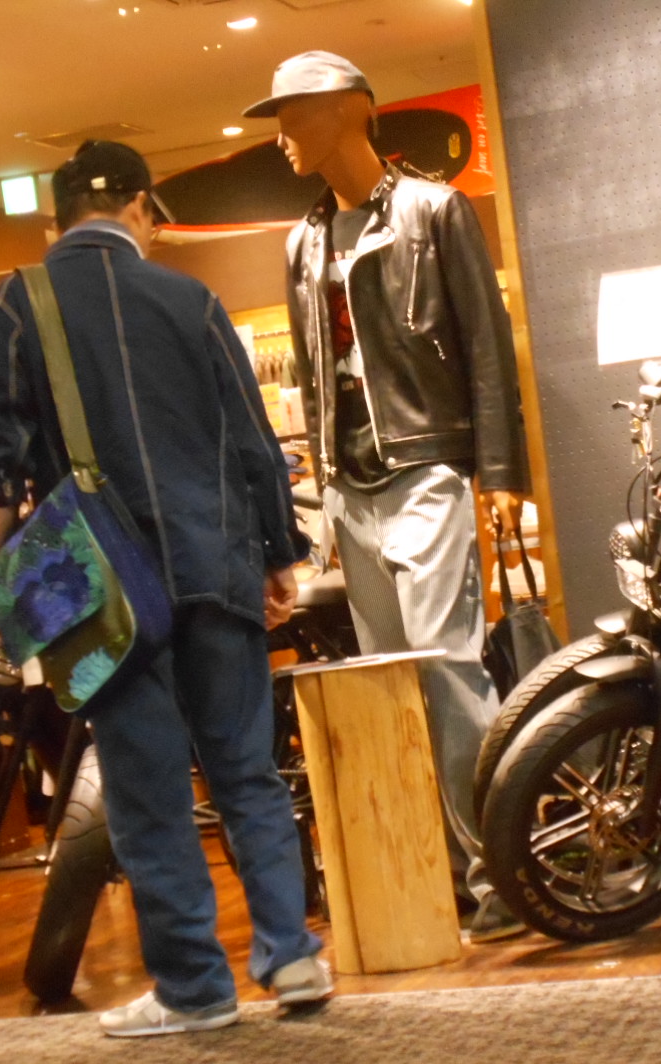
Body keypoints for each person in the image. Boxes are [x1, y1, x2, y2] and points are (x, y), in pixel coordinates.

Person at [0, 139, 329, 1038]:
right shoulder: (190, 298)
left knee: (147, 787)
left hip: (98, 586)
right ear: (139, 208)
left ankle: (195, 990)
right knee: (245, 771)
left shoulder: (18, 301)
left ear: (56, 220)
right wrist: (278, 554)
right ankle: (292, 957)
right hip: (217, 564)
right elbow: (253, 440)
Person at [243, 51, 533, 941]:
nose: (282, 135)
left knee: (448, 671)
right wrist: (322, 494)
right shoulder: (302, 242)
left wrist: (501, 472)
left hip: (426, 468)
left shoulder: (433, 211)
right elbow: (313, 380)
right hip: (351, 489)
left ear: (350, 108)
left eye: (294, 114)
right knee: (390, 685)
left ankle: (501, 876)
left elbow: (486, 346)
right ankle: (434, 884)